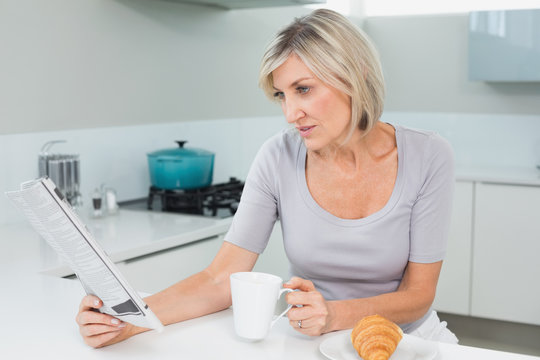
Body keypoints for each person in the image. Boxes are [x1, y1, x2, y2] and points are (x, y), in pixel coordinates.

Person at [76, 9, 458, 348]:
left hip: (409, 341)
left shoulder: (427, 155)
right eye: (281, 95)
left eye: (303, 89)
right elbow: (220, 278)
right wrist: (129, 318)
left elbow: (418, 294)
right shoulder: (278, 157)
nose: (291, 113)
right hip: (311, 342)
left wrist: (335, 314)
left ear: (355, 76)